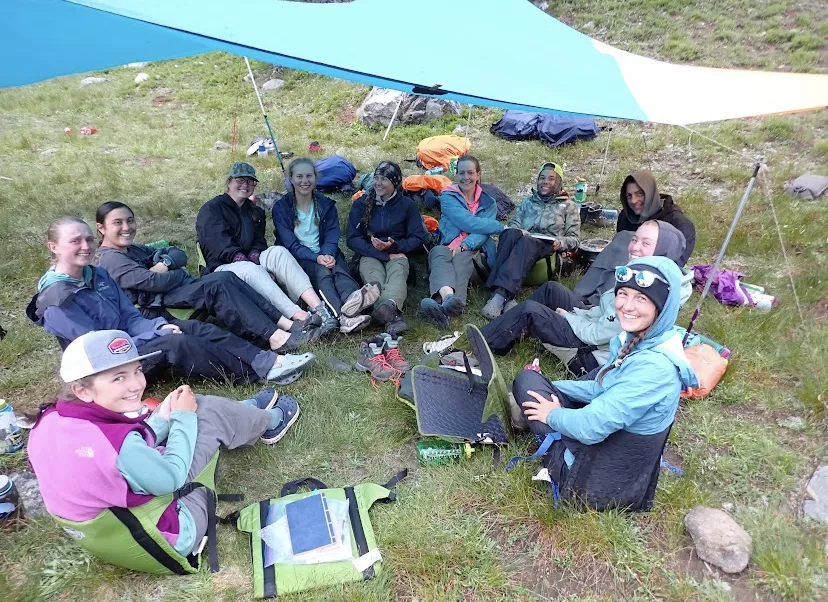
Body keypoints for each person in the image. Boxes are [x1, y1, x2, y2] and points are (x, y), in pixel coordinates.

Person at [28, 330, 301, 565]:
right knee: (205, 416)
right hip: (166, 537)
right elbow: (172, 478)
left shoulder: (48, 420)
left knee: (191, 409)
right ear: (82, 390)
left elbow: (119, 449)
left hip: (107, 535)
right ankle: (270, 421)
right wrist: (182, 417)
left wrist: (161, 419)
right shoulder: (120, 445)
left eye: (136, 371)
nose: (136, 384)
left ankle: (244, 412)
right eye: (118, 378)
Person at [27, 217, 314, 385]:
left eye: (88, 239)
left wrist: (156, 328)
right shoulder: (56, 299)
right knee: (177, 342)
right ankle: (252, 374)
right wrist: (155, 334)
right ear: (53, 247)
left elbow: (130, 317)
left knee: (192, 329)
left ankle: (267, 359)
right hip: (107, 370)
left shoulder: (97, 274)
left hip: (129, 340)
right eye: (75, 241)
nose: (86, 246)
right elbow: (98, 347)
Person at [515, 255, 698, 508]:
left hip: (596, 486)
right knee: (544, 381)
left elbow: (591, 428)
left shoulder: (655, 368)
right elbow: (600, 387)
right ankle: (540, 414)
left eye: (642, 298)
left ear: (663, 307)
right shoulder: (642, 338)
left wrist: (551, 414)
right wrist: (552, 385)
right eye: (623, 294)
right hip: (612, 445)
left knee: (526, 383)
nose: (627, 306)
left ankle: (557, 456)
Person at [94, 201, 317, 352]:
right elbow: (152, 282)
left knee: (227, 277)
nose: (127, 227)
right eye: (118, 223)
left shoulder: (133, 250)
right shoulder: (110, 259)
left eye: (130, 220)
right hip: (155, 307)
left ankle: (287, 324)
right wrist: (177, 275)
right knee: (217, 283)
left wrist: (166, 263)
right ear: (101, 228)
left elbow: (177, 253)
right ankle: (274, 337)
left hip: (171, 292)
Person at [478, 221, 691, 375]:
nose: (634, 247)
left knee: (531, 311)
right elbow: (603, 314)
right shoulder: (645, 275)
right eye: (634, 239)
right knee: (552, 289)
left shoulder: (647, 295)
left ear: (663, 251)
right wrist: (579, 313)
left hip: (592, 356)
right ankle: (507, 328)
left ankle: (478, 348)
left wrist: (569, 318)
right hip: (595, 327)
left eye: (646, 243)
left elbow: (596, 335)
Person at [196, 162, 338, 336]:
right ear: (229, 182)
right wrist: (253, 264)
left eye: (250, 181)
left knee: (278, 252)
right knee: (251, 270)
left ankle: (319, 309)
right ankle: (300, 316)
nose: (245, 185)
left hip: (250, 261)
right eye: (240, 180)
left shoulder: (254, 211)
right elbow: (219, 245)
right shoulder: (212, 209)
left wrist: (256, 257)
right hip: (222, 268)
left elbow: (259, 242)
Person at [272, 158, 379, 334]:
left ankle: (353, 303)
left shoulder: (325, 204)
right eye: (299, 176)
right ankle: (341, 316)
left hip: (325, 252)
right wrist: (317, 257)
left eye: (309, 176)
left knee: (340, 272)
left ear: (316, 178)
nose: (304, 181)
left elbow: (332, 234)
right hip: (300, 257)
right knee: (323, 274)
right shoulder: (281, 208)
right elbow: (289, 243)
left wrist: (327, 253)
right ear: (291, 179)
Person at [481, 162, 581, 320]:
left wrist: (559, 242)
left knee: (527, 242)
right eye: (542, 178)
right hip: (524, 241)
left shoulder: (568, 206)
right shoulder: (527, 203)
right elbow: (513, 224)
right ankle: (508, 297)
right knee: (509, 234)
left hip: (547, 247)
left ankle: (499, 295)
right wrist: (519, 230)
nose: (545, 182)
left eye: (551, 179)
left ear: (559, 183)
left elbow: (575, 239)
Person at [419, 155, 503, 329]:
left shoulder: (489, 203)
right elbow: (468, 223)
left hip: (477, 253)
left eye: (470, 173)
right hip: (448, 246)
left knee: (461, 257)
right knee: (437, 252)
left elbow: (482, 234)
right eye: (461, 173)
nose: (466, 177)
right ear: (456, 175)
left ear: (478, 175)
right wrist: (499, 226)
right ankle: (450, 300)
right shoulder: (448, 197)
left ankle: (443, 304)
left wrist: (465, 245)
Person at [346, 161, 429, 335]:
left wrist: (395, 247)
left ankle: (386, 307)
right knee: (374, 277)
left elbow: (417, 236)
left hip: (398, 252)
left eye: (384, 179)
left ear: (395, 183)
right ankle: (393, 317)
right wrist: (381, 253)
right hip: (369, 252)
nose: (378, 183)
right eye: (376, 178)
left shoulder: (407, 205)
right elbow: (352, 239)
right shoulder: (361, 204)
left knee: (397, 273)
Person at [617, 169, 695, 266]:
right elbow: (619, 251)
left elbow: (675, 266)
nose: (633, 201)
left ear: (650, 193)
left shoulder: (679, 224)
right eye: (629, 196)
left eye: (640, 194)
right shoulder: (626, 216)